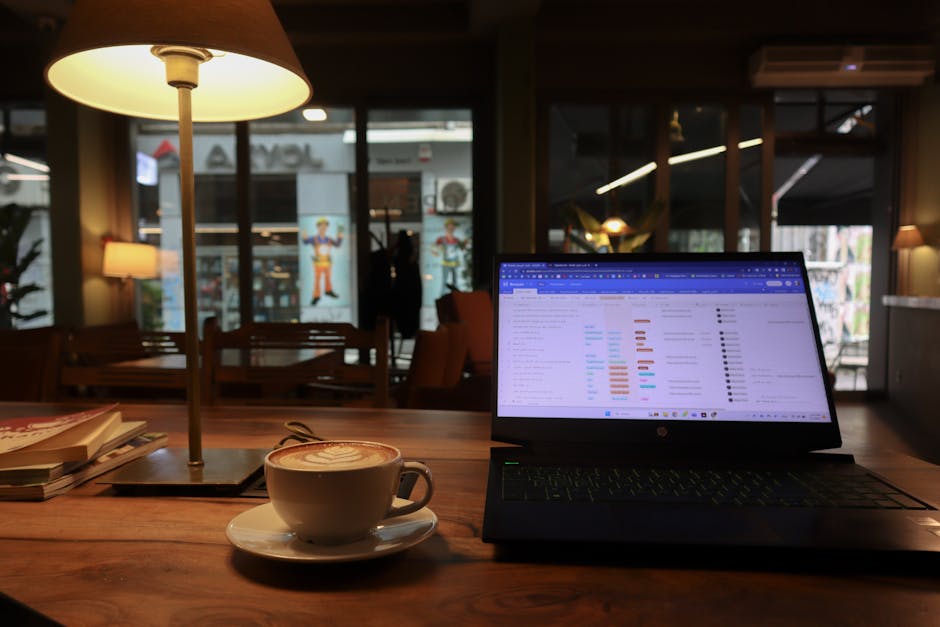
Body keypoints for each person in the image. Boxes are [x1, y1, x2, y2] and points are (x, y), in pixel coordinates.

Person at [301, 218, 343, 305]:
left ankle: (328, 290)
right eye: (321, 226)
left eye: (325, 226)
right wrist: (304, 235)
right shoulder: (314, 239)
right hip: (318, 263)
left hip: (327, 263)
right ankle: (316, 296)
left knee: (328, 278)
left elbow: (337, 244)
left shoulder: (329, 239)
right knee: (317, 279)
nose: (323, 227)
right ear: (318, 227)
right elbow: (305, 241)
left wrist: (340, 235)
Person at [431, 218, 468, 295]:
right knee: (444, 281)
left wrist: (465, 243)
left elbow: (462, 247)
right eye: (450, 226)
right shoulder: (442, 239)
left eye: (453, 226)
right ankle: (442, 297)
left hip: (454, 262)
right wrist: (435, 251)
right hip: (446, 263)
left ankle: (456, 297)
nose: (452, 228)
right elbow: (434, 247)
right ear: (447, 227)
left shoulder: (456, 240)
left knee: (455, 282)